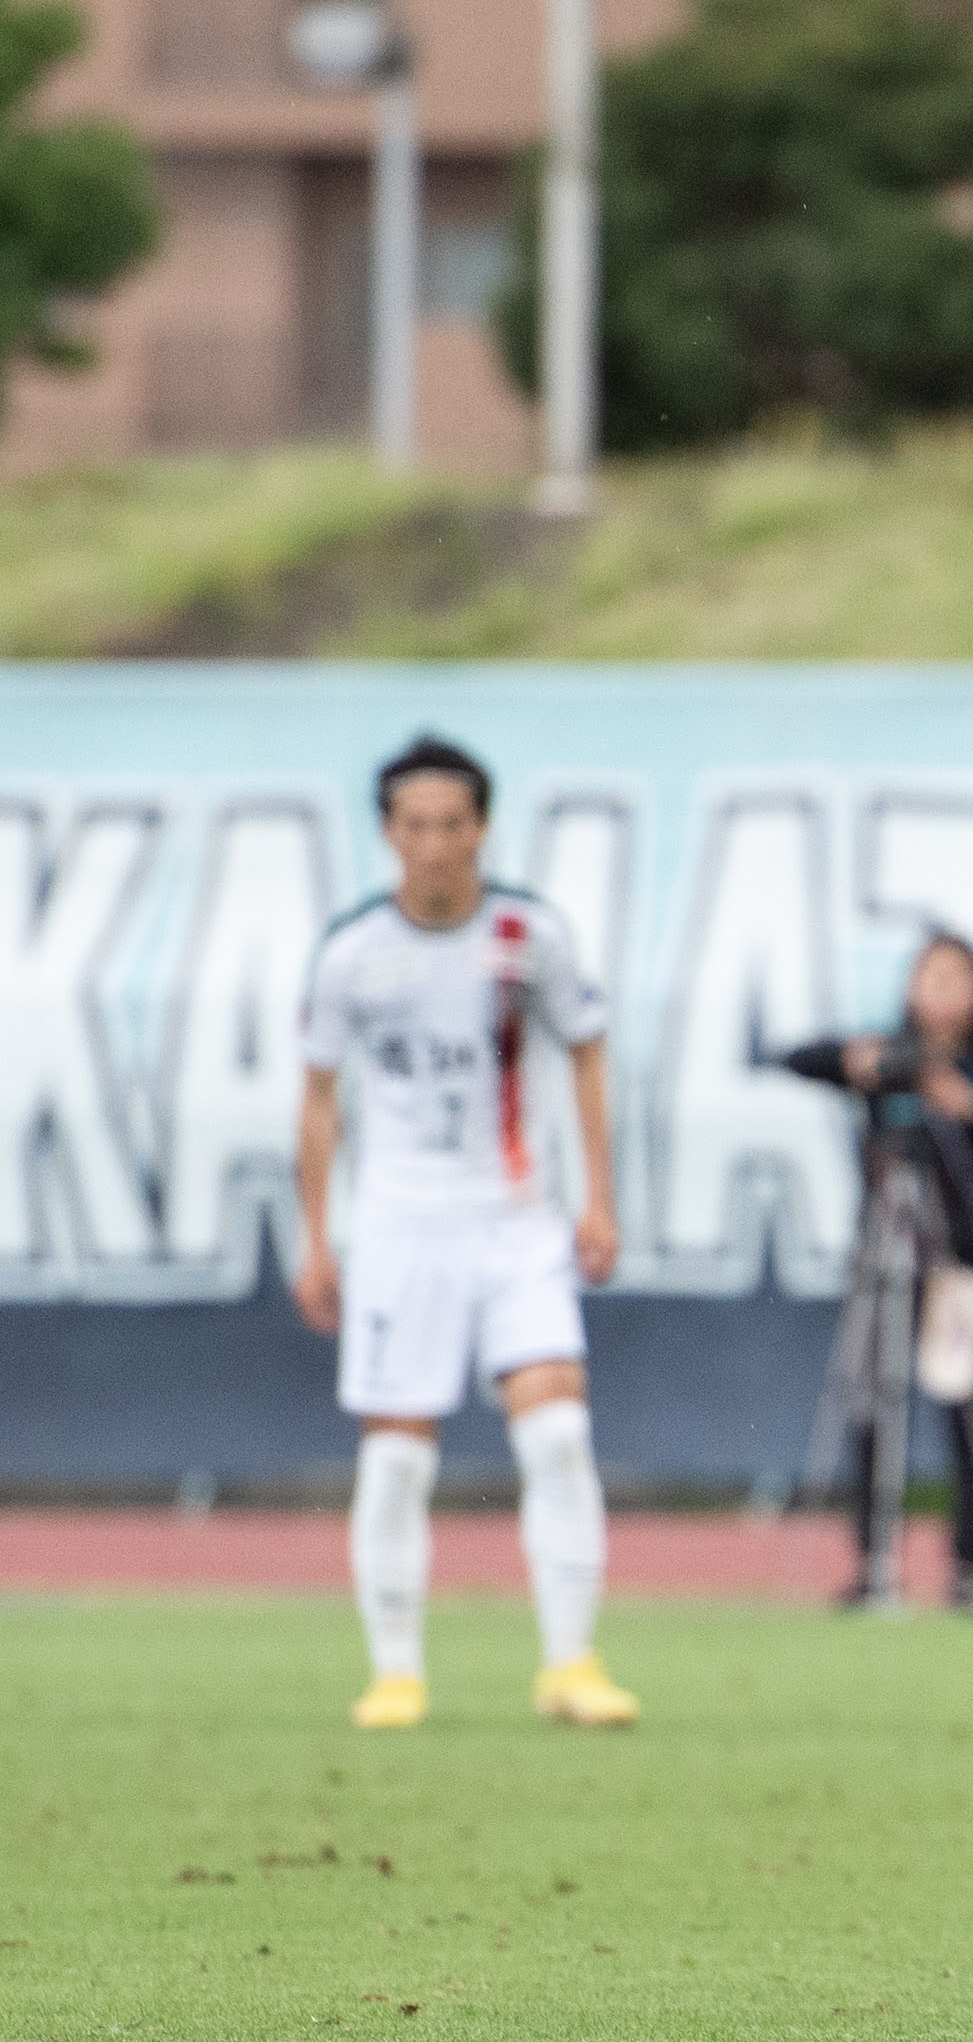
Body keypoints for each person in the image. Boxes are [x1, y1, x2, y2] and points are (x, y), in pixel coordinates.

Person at [297, 735, 635, 1730]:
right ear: (388, 833)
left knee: (559, 1432)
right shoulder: (353, 951)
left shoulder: (530, 935)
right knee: (398, 1458)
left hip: (515, 1218)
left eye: (453, 823)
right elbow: (318, 1098)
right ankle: (396, 1672)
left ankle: (570, 1662)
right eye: (417, 825)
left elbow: (586, 1052)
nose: (436, 844)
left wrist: (599, 1199)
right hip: (401, 1225)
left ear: (482, 827)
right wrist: (316, 1236)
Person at [784, 933, 973, 1609]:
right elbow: (798, 1058)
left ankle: (970, 1565)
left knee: (968, 1403)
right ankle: (874, 1561)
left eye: (959, 977)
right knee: (871, 1398)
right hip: (885, 1251)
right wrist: (858, 1062)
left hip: (958, 1259)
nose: (943, 989)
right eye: (931, 974)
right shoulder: (889, 1055)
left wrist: (962, 1103)